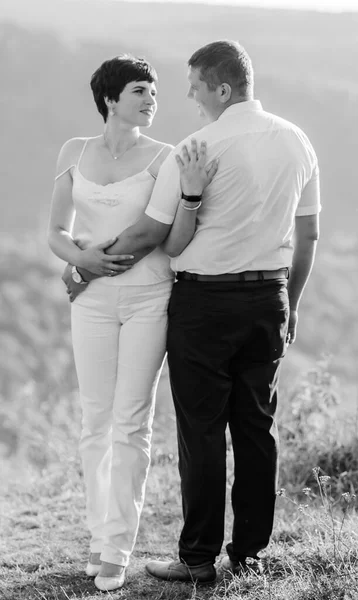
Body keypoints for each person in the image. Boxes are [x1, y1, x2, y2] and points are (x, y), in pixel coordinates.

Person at [64, 39, 320, 584]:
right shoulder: (298, 141)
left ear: (221, 89)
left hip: (204, 302)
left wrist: (85, 266)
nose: (187, 94)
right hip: (270, 296)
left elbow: (158, 236)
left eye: (195, 85)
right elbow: (309, 233)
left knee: (200, 431)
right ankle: (249, 555)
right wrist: (290, 304)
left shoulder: (196, 147)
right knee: (257, 428)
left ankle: (198, 558)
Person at [48, 54, 217, 592]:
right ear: (110, 99)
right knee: (94, 421)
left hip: (149, 298)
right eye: (141, 90)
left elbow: (165, 238)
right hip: (91, 303)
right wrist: (76, 264)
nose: (152, 100)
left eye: (155, 91)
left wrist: (94, 263)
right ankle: (99, 540)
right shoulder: (74, 152)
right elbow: (55, 230)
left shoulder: (166, 157)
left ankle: (119, 550)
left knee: (130, 422)